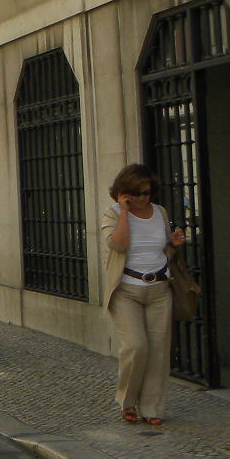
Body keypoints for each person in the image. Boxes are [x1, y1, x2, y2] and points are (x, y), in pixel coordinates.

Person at [100, 163, 186, 426]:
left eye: (146, 193)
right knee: (136, 347)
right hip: (127, 291)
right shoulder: (112, 214)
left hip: (159, 289)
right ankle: (127, 402)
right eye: (135, 193)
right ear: (122, 192)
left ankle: (152, 407)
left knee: (158, 352)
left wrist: (173, 244)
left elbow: (161, 252)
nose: (141, 198)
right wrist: (125, 212)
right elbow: (119, 244)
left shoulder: (159, 212)